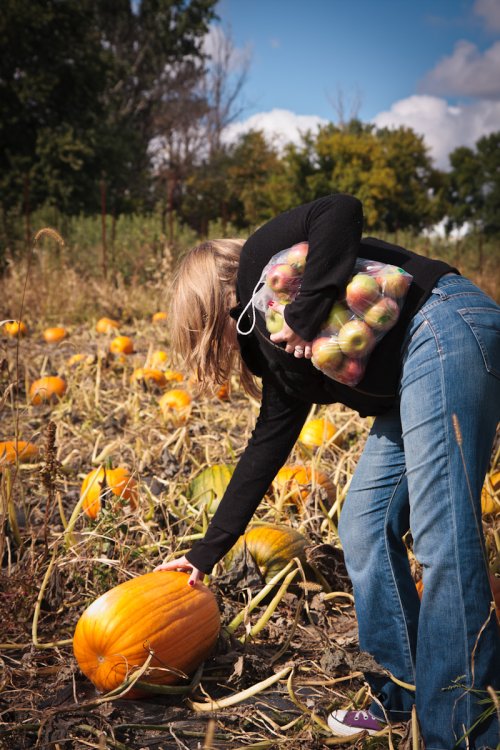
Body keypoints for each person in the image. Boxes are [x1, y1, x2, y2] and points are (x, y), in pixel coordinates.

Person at [154, 193, 500, 747]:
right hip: (413, 373)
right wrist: (204, 554)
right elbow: (264, 449)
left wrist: (304, 310)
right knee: (362, 524)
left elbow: (340, 209)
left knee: (443, 538)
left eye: (204, 331)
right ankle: (401, 694)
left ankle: (462, 731)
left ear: (216, 307)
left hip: (446, 325)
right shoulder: (283, 366)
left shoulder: (261, 262)